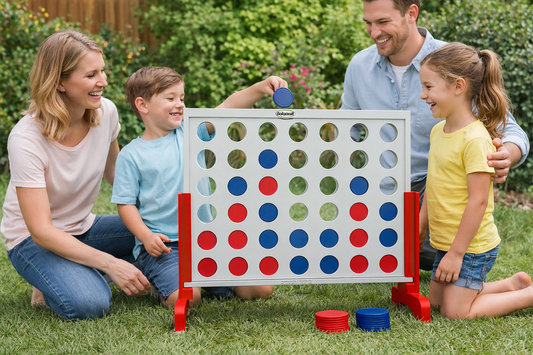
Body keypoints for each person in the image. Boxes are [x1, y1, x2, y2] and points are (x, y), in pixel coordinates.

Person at [341, 0, 530, 270]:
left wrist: (506, 154)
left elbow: (510, 130)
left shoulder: (450, 63)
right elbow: (345, 130)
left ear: (411, 14)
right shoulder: (359, 65)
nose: (373, 33)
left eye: (382, 22)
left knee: (425, 256)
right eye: (368, 24)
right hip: (381, 187)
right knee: (363, 254)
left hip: (433, 188)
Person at [0, 30, 151, 320]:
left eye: (103, 71)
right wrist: (111, 264)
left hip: (84, 228)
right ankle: (60, 276)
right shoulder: (25, 139)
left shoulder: (105, 112)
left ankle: (68, 273)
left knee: (167, 230)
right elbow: (41, 231)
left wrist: (156, 207)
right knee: (90, 303)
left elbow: (115, 173)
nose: (104, 82)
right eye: (91, 75)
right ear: (59, 82)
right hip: (31, 241)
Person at [111, 66, 285, 308]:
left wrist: (260, 88)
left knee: (260, 289)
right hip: (166, 248)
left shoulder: (191, 130)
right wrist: (145, 236)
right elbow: (126, 204)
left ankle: (205, 279)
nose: (180, 104)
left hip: (207, 238)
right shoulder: (131, 155)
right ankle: (160, 282)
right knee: (188, 299)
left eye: (181, 98)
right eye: (170, 98)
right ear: (143, 105)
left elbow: (226, 108)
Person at [418, 42, 533, 319]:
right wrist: (419, 227)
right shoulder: (437, 132)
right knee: (435, 303)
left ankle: (528, 295)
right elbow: (432, 187)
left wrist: (457, 254)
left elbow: (479, 200)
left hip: (471, 245)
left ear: (458, 86)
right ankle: (511, 285)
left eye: (429, 87)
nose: (423, 95)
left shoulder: (475, 139)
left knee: (455, 312)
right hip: (445, 242)